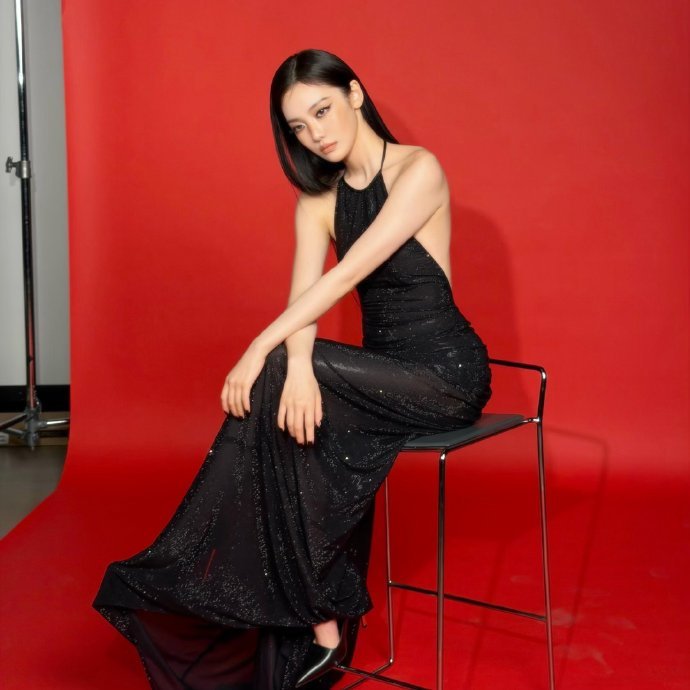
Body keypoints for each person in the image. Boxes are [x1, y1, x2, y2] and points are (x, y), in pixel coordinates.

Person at [92, 48, 492, 690]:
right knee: (288, 402)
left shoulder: (420, 170)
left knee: (278, 374)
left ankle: (212, 575)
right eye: (299, 126)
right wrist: (297, 362)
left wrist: (261, 348)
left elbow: (346, 275)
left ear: (355, 94)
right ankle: (319, 621)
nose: (316, 134)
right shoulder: (317, 199)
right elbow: (303, 298)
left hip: (445, 373)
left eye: (323, 111)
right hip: (378, 374)